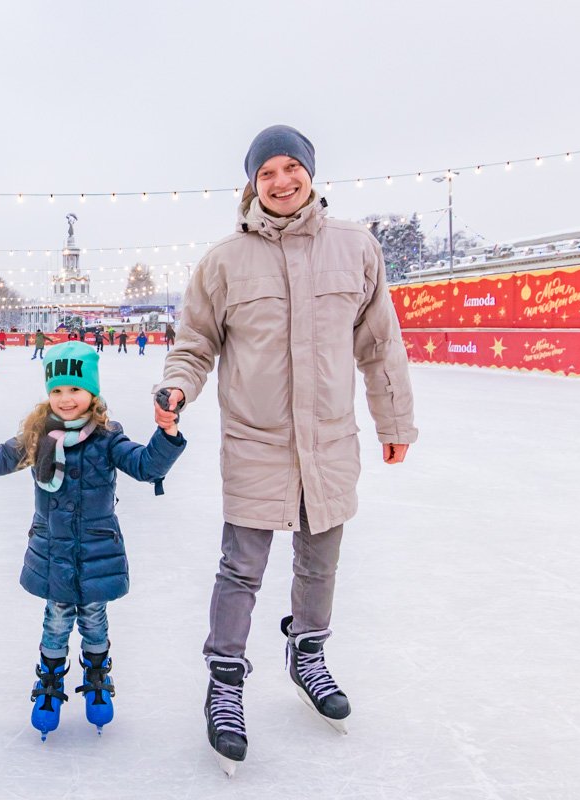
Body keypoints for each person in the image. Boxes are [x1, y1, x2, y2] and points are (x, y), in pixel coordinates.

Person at [153, 124, 417, 775]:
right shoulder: (223, 261)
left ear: (309, 173)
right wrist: (176, 387)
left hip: (328, 440)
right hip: (255, 440)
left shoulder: (355, 248)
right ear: (252, 183)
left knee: (320, 561)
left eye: (290, 168)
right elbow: (193, 343)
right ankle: (225, 681)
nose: (280, 181)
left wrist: (395, 423)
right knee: (240, 567)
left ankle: (309, 653)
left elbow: (380, 344)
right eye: (266, 171)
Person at [0, 342, 186, 740]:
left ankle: (98, 675)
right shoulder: (38, 437)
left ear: (92, 394)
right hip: (53, 552)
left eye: (75, 390)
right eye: (57, 391)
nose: (66, 399)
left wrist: (167, 432)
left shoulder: (107, 439)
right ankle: (49, 683)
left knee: (94, 622)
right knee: (55, 621)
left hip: (97, 552)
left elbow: (145, 465)